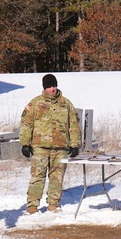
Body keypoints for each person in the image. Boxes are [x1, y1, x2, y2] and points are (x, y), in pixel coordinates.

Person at [20, 74, 82, 214]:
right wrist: (25, 143)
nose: (52, 89)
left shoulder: (66, 104)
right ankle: (32, 206)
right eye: (49, 87)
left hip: (60, 147)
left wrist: (74, 144)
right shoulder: (35, 104)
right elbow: (26, 124)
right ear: (44, 88)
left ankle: (53, 204)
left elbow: (74, 125)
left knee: (57, 177)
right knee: (37, 176)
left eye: (54, 86)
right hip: (40, 147)